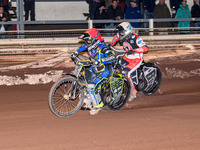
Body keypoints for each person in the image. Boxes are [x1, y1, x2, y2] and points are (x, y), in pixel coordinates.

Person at [71, 28, 116, 115]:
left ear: (95, 40)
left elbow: (113, 57)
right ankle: (89, 103)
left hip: (105, 70)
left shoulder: (103, 48)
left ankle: (98, 106)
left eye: (89, 40)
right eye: (86, 40)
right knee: (83, 82)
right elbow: (82, 48)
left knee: (91, 86)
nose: (87, 42)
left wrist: (101, 60)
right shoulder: (88, 45)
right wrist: (75, 53)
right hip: (95, 68)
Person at [109, 22, 149, 102]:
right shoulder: (119, 35)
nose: (120, 34)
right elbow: (113, 41)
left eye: (122, 32)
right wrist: (109, 45)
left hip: (136, 58)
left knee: (126, 72)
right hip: (126, 57)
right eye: (119, 32)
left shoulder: (136, 38)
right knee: (116, 67)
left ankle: (132, 93)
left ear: (127, 31)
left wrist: (134, 50)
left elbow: (146, 48)